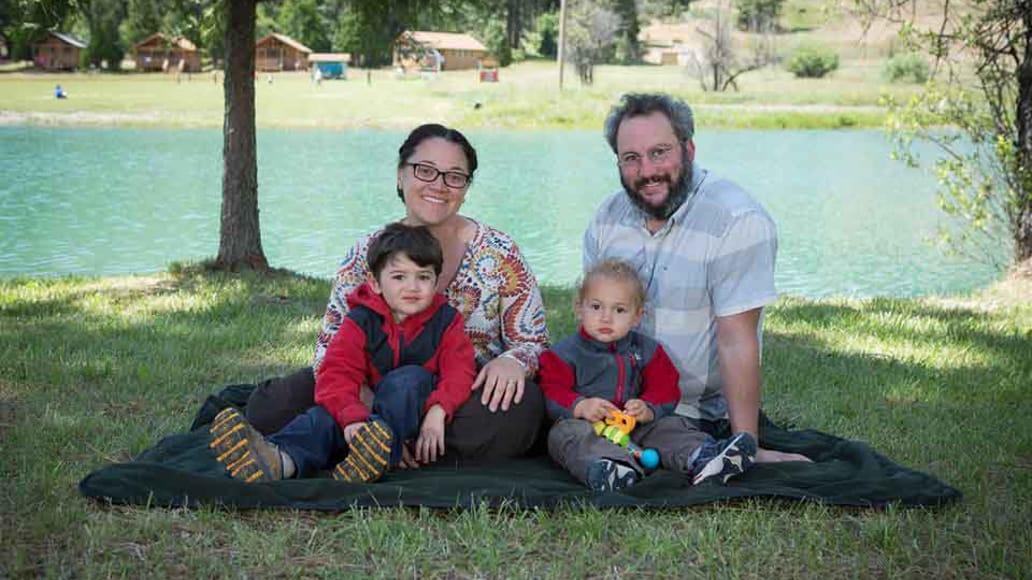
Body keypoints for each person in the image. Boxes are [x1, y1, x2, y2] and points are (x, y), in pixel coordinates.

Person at [245, 123, 550, 465]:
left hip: (460, 396)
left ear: (466, 188)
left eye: (454, 176)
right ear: (400, 175)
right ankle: (380, 442)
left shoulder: (499, 251)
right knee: (272, 407)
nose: (439, 185)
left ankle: (362, 447)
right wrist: (366, 411)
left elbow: (534, 341)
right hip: (370, 387)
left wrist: (512, 361)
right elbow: (329, 349)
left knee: (521, 411)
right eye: (425, 170)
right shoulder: (368, 253)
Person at [583, 93, 810, 465]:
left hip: (691, 413)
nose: (647, 171)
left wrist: (746, 445)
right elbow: (593, 324)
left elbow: (737, 342)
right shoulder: (606, 218)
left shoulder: (737, 221)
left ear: (689, 149)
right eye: (631, 158)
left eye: (659, 152)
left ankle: (723, 454)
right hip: (614, 405)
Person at [210, 224, 476, 483]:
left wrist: (438, 410)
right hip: (364, 414)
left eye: (423, 277)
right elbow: (337, 372)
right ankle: (279, 461)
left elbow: (460, 371)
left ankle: (377, 454)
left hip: (412, 416)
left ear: (436, 282)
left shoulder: (447, 321)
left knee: (409, 378)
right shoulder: (360, 320)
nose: (413, 287)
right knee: (321, 419)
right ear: (375, 283)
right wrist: (352, 417)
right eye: (399, 277)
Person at [542, 259, 758, 492]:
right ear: (579, 307)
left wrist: (648, 407)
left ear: (637, 316)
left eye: (619, 310)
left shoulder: (647, 350)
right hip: (588, 426)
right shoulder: (564, 354)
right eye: (596, 307)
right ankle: (612, 468)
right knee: (565, 435)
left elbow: (666, 386)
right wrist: (579, 406)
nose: (606, 317)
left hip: (634, 426)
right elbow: (550, 389)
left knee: (669, 426)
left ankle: (703, 456)